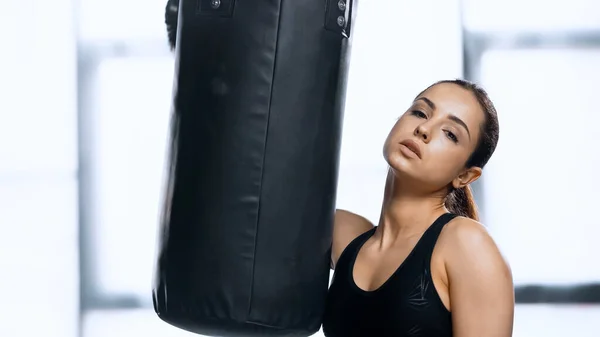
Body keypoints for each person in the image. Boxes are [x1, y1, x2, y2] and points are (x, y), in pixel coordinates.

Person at [322, 79, 514, 337]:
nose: (424, 128)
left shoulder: (466, 245)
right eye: (420, 112)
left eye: (450, 133)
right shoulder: (343, 233)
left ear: (465, 176)